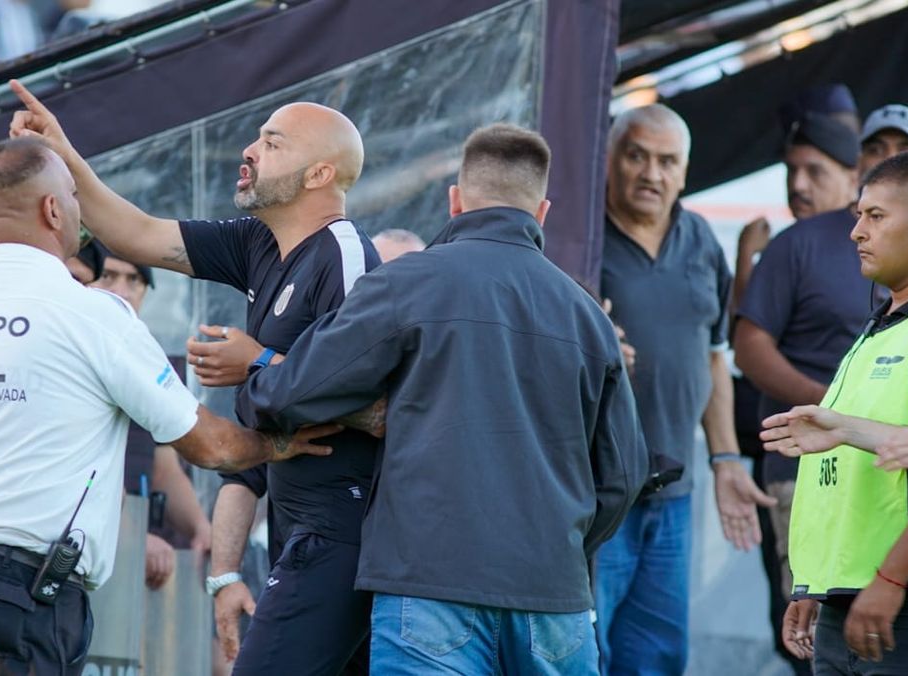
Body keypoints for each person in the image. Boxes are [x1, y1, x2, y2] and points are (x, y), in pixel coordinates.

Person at [0, 138, 337, 676]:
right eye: (74, 197)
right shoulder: (90, 314)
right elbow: (210, 445)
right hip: (19, 596)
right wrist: (282, 442)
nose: (81, 210)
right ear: (52, 209)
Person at [239, 122, 648, 674]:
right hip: (555, 597)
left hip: (427, 588)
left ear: (454, 200)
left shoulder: (407, 283)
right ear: (542, 212)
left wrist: (258, 365)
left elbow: (289, 396)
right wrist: (563, 547)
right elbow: (623, 473)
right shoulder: (586, 315)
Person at [7, 80, 384, 675]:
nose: (250, 151)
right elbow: (138, 235)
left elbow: (375, 397)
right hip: (295, 529)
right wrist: (63, 153)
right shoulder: (259, 241)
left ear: (318, 175)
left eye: (272, 143)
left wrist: (255, 362)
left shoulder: (343, 251)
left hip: (341, 530)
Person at [736, 103, 908, 666]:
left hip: (904, 602)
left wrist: (891, 581)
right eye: (859, 212)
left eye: (874, 216)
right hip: (845, 597)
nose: (856, 230)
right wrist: (814, 585)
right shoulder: (879, 327)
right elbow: (843, 479)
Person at [596, 103, 774, 674]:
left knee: (658, 657)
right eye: (636, 156)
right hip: (594, 495)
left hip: (674, 494)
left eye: (667, 162)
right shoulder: (579, 241)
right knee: (580, 653)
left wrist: (725, 459)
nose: (652, 173)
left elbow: (713, 357)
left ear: (685, 171)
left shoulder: (699, 239)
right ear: (609, 159)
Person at [68, 242, 213, 590]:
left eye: (135, 280)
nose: (123, 291)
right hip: (77, 552)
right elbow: (80, 470)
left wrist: (201, 527)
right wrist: (132, 537)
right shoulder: (69, 351)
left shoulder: (151, 361)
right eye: (109, 276)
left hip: (140, 571)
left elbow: (164, 467)